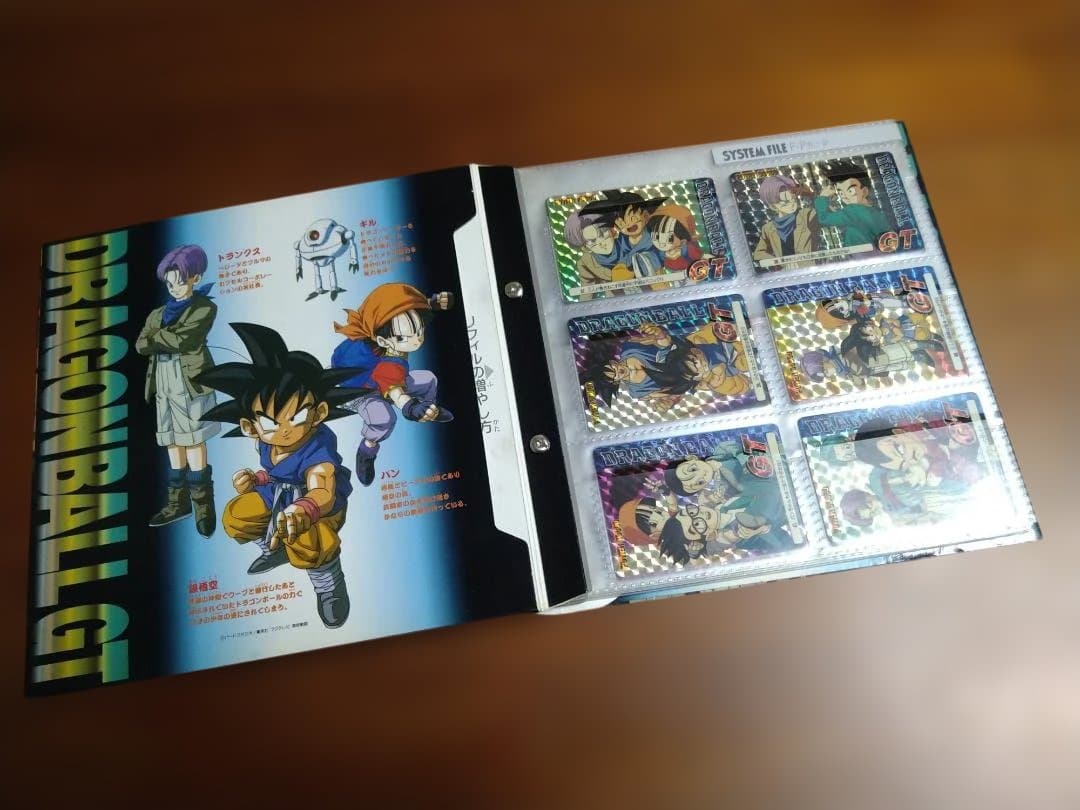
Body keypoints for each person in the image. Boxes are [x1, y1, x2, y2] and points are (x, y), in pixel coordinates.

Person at [195, 323, 369, 629]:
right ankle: (274, 549)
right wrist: (258, 480)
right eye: (270, 422)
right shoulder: (265, 442)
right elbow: (277, 474)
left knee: (308, 539)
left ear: (319, 412)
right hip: (277, 496)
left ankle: (328, 583)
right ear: (250, 427)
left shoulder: (318, 445)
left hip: (317, 507)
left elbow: (322, 487)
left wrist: (305, 508)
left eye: (297, 416)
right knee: (236, 515)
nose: (285, 429)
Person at [331, 283, 454, 486]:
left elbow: (402, 311)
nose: (417, 340)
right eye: (404, 337)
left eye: (419, 331)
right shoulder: (389, 361)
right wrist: (410, 407)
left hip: (386, 380)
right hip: (361, 393)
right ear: (383, 341)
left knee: (428, 379)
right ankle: (367, 450)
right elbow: (396, 392)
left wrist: (431, 303)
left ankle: (428, 409)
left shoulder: (383, 331)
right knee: (384, 419)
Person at [135, 244, 219, 537]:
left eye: (180, 282)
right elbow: (140, 345)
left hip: (191, 381)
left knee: (193, 441)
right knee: (172, 441)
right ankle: (177, 504)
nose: (174, 289)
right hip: (162, 381)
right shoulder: (157, 313)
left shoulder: (205, 307)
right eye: (169, 284)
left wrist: (157, 338)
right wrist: (162, 338)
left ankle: (203, 507)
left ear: (196, 277)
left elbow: (184, 341)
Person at [752, 175, 820, 267]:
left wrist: (810, 194)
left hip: (810, 270)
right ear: (773, 206)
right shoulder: (768, 228)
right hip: (786, 273)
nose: (792, 204)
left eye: (793, 198)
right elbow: (758, 254)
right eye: (785, 203)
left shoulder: (806, 215)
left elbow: (825, 213)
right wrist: (780, 262)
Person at [814, 170, 891, 249]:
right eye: (841, 193)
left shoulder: (853, 210)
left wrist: (822, 197)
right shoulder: (876, 212)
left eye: (850, 191)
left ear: (864, 191)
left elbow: (824, 219)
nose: (845, 196)